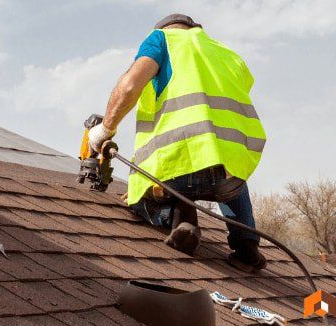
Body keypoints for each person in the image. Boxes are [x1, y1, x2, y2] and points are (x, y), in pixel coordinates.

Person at [88, 14, 267, 273]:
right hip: (231, 170)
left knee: (138, 199)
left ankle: (181, 219)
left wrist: (104, 130)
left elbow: (129, 87)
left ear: (167, 29)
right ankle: (247, 246)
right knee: (230, 178)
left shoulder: (162, 40)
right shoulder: (227, 53)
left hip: (179, 167)